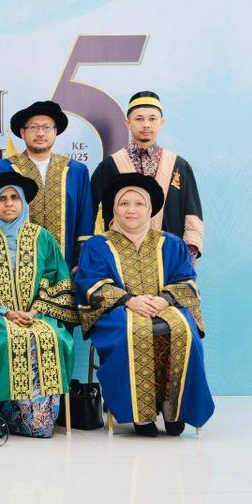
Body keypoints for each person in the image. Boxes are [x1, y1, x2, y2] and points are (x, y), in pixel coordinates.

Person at [76, 173, 212, 436]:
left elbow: (186, 281)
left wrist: (164, 299)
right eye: (124, 203)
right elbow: (91, 284)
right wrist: (129, 300)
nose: (131, 210)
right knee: (132, 331)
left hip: (165, 305)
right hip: (117, 311)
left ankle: (175, 409)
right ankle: (140, 415)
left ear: (150, 209)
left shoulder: (171, 243)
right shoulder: (98, 245)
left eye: (139, 204)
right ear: (114, 208)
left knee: (184, 330)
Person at [0, 172, 78, 438]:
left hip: (38, 314)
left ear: (23, 202)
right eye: (1, 199)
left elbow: (56, 278)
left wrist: (34, 311)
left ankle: (38, 419)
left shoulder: (42, 237)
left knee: (51, 337)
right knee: (3, 340)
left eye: (14, 197)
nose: (9, 203)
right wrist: (6, 312)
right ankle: (4, 414)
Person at [90, 91, 204, 262]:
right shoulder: (109, 166)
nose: (146, 125)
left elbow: (192, 214)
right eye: (139, 119)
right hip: (119, 261)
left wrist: (187, 259)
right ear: (128, 123)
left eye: (152, 119)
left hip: (170, 259)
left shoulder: (179, 166)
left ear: (161, 122)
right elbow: (93, 216)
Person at [0, 100, 94, 272]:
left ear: (55, 132)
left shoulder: (76, 171)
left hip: (65, 266)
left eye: (47, 127)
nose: (40, 133)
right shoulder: (2, 169)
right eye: (34, 127)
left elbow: (85, 219)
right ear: (23, 132)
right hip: (13, 269)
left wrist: (81, 262)